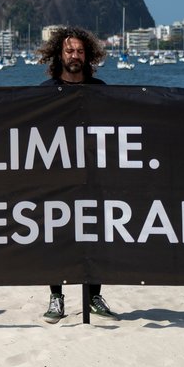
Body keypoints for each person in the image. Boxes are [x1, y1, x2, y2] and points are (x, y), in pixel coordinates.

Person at [37, 26, 118, 323]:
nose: (75, 56)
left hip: (94, 176)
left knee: (97, 236)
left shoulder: (100, 89)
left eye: (80, 51)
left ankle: (93, 296)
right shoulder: (45, 93)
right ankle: (56, 297)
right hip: (56, 177)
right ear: (59, 54)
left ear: (89, 56)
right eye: (70, 51)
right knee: (56, 236)